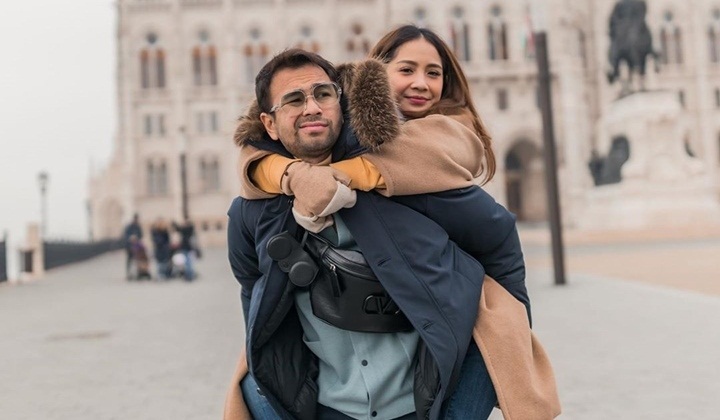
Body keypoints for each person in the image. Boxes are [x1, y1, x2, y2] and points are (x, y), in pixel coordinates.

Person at [228, 26, 559, 419]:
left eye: (322, 95)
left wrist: (510, 323)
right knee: (252, 387)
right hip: (332, 400)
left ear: (342, 101)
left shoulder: (413, 177)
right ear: (269, 123)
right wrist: (288, 174)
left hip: (419, 394)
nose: (312, 108)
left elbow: (495, 232)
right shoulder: (256, 206)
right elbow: (252, 284)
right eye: (294, 100)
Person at [122, 213, 143, 280]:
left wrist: (136, 238)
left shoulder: (138, 227)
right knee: (129, 259)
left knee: (137, 260)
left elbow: (141, 235)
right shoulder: (129, 227)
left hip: (136, 246)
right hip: (129, 246)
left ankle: (136, 273)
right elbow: (125, 236)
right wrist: (131, 238)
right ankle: (129, 273)